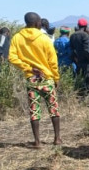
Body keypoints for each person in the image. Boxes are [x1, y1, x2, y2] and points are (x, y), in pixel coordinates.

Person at [8, 12, 62, 149]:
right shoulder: (45, 39)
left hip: (31, 79)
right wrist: (56, 77)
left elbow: (12, 58)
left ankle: (37, 142)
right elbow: (53, 61)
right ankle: (57, 139)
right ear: (38, 23)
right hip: (47, 78)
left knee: (34, 110)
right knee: (53, 109)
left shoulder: (17, 38)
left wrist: (29, 68)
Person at [70, 18, 89, 90]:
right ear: (85, 27)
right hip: (86, 62)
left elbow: (72, 49)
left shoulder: (72, 36)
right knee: (88, 80)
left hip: (78, 61)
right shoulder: (85, 35)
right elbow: (86, 50)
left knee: (80, 78)